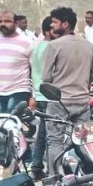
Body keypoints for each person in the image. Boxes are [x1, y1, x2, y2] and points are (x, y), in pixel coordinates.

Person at [42, 7, 93, 172]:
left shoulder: (53, 46)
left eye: (54, 22)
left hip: (59, 102)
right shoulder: (88, 46)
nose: (52, 26)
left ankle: (55, 178)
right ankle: (83, 177)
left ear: (65, 24)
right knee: (83, 141)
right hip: (82, 102)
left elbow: (45, 78)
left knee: (55, 141)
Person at [0, 10, 34, 115]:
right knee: (2, 124)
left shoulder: (27, 42)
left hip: (19, 90)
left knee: (10, 121)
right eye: (0, 21)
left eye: (7, 21)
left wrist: (34, 95)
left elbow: (36, 69)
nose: (3, 24)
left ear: (16, 24)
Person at [27, 16, 57, 177]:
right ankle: (47, 170)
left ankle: (37, 166)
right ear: (47, 30)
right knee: (51, 136)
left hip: (39, 95)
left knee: (42, 134)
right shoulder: (49, 48)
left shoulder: (37, 47)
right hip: (49, 96)